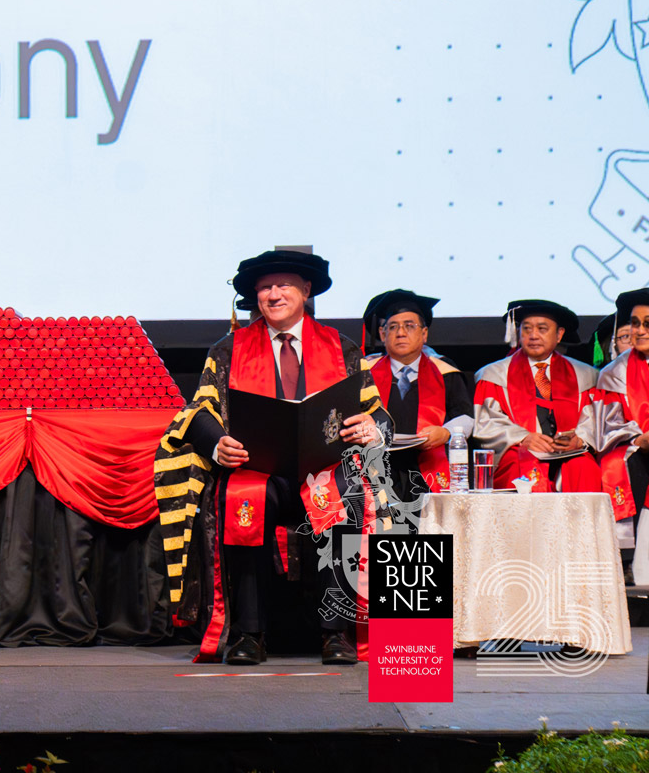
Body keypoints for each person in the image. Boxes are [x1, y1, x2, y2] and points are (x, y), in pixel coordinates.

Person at [156, 250, 387, 666]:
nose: (274, 294)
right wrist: (216, 443)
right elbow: (199, 409)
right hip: (258, 470)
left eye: (284, 285)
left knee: (346, 492)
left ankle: (335, 634)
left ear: (306, 290)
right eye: (265, 287)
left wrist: (371, 428)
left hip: (323, 470)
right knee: (239, 499)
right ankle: (249, 634)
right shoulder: (229, 350)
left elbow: (377, 414)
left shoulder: (342, 349)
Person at [471, 300, 608, 494]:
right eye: (526, 329)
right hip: (521, 451)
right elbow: (486, 423)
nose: (533, 335)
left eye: (542, 329)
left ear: (559, 334)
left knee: (583, 466)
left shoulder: (585, 375)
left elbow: (596, 419)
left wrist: (579, 439)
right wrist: (523, 437)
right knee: (519, 463)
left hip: (568, 453)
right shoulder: (493, 375)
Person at [360, 290, 472, 497]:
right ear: (383, 335)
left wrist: (446, 433)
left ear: (424, 333)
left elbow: (465, 418)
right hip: (376, 466)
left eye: (409, 326)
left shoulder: (446, 372)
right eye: (392, 327)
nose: (401, 333)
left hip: (428, 467)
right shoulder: (364, 374)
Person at [592, 289, 649, 579]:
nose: (639, 330)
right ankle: (627, 561)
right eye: (635, 323)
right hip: (637, 448)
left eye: (647, 324)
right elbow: (607, 423)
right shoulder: (615, 372)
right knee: (623, 463)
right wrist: (639, 438)